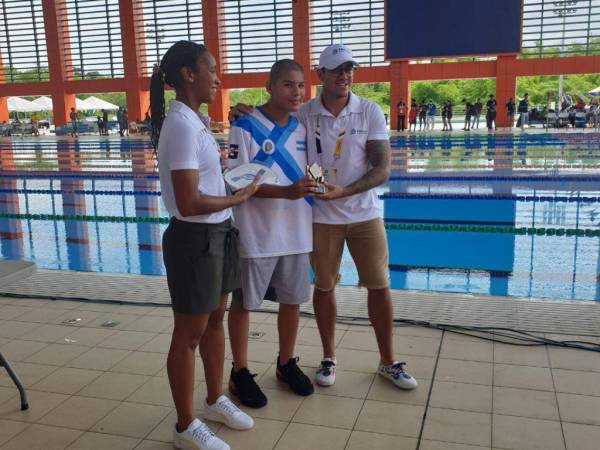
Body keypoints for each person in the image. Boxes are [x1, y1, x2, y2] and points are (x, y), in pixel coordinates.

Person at [229, 44, 418, 392]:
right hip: (319, 217)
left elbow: (383, 168)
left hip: (364, 213)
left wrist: (343, 192)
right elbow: (274, 129)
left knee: (379, 286)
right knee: (323, 286)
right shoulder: (305, 114)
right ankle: (328, 356)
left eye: (350, 69)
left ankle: (388, 361)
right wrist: (244, 114)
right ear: (323, 75)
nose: (345, 75)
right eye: (337, 70)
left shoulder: (369, 111)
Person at [150, 40, 258, 450]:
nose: (218, 77)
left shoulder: (194, 121)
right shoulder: (179, 126)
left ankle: (215, 399)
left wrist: (234, 183)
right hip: (195, 239)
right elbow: (189, 200)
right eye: (211, 69)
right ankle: (184, 425)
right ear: (188, 74)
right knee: (189, 334)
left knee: (216, 320)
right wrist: (237, 198)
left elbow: (207, 182)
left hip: (218, 233)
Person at [226, 59, 317, 409]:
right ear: (270, 86)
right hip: (257, 232)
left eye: (300, 86)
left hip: (296, 231)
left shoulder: (302, 128)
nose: (296, 92)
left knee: (292, 301)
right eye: (287, 85)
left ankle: (285, 363)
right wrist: (285, 192)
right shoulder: (245, 127)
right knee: (244, 303)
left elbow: (311, 172)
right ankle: (240, 371)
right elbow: (235, 180)